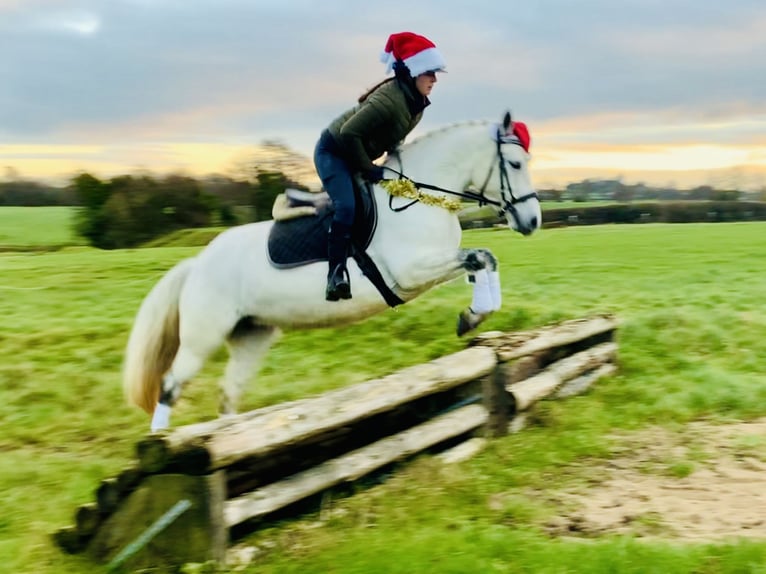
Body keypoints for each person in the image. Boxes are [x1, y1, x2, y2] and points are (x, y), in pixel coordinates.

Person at [314, 31, 446, 301]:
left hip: (356, 154)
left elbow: (394, 141)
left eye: (436, 74)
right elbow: (350, 132)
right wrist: (367, 167)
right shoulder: (390, 99)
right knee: (348, 207)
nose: (434, 79)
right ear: (414, 72)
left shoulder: (417, 104)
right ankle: (335, 274)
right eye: (430, 73)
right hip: (334, 152)